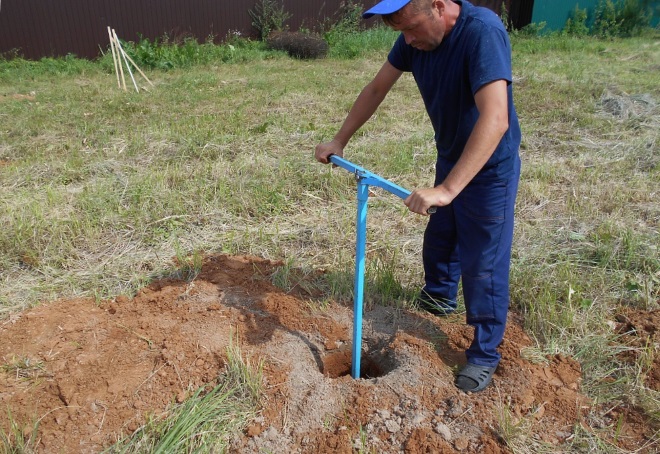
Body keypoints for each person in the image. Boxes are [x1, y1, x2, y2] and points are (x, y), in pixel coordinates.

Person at [314, 0, 521, 393]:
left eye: (410, 28)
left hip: (490, 166)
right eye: (400, 33)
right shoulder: (412, 39)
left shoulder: (482, 33)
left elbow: (496, 119)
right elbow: (377, 87)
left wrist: (447, 189)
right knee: (441, 238)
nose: (406, 41)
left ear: (439, 7)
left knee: (484, 260)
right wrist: (340, 139)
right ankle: (440, 300)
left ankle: (484, 353)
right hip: (451, 156)